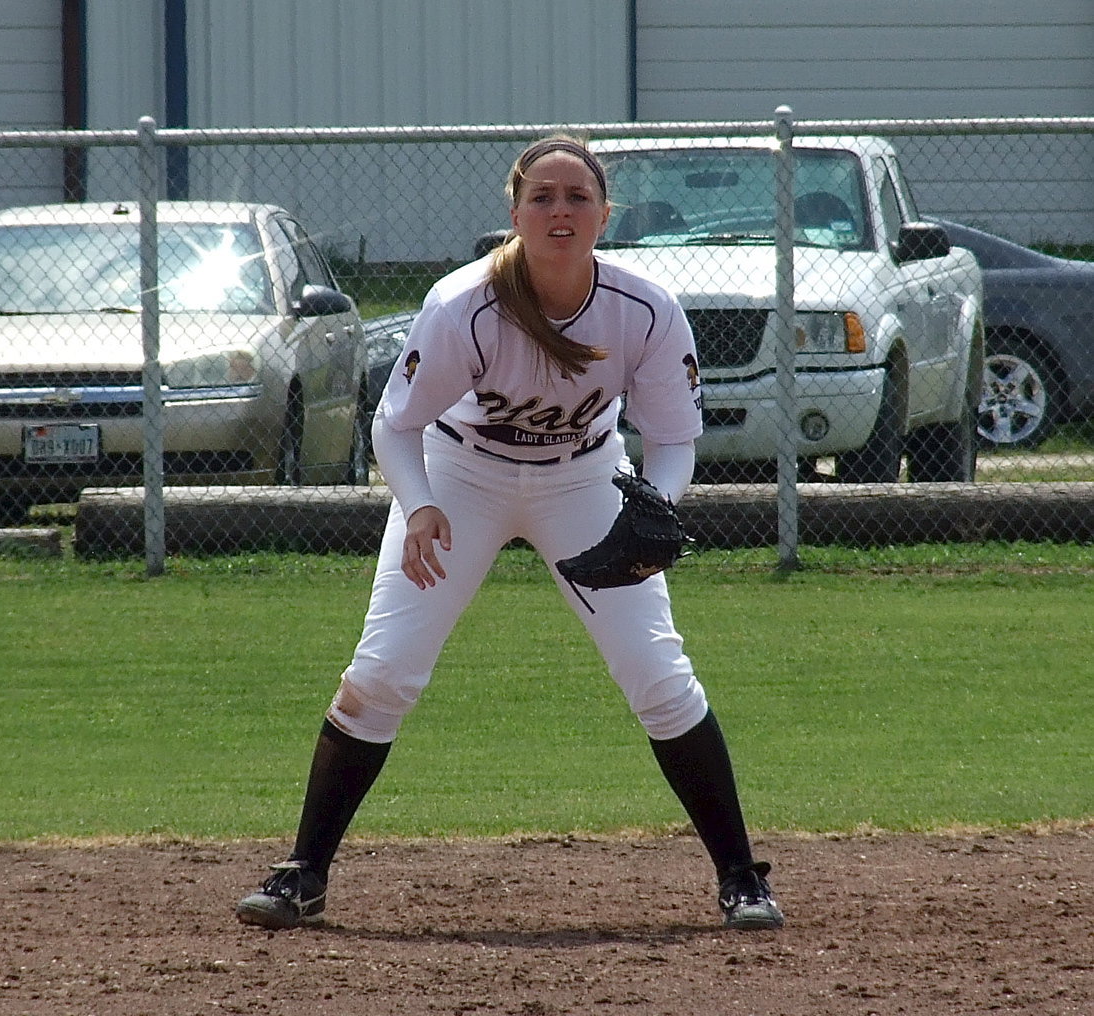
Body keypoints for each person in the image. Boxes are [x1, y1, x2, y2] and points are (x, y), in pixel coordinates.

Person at [235, 136, 783, 933]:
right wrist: (419, 504)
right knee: (383, 673)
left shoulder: (646, 307)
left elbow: (673, 441)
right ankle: (303, 874)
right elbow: (396, 426)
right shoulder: (465, 303)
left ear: (604, 212)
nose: (560, 210)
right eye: (543, 197)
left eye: (577, 196)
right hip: (462, 477)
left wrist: (654, 506)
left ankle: (742, 877)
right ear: (516, 212)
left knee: (658, 677)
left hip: (584, 479)